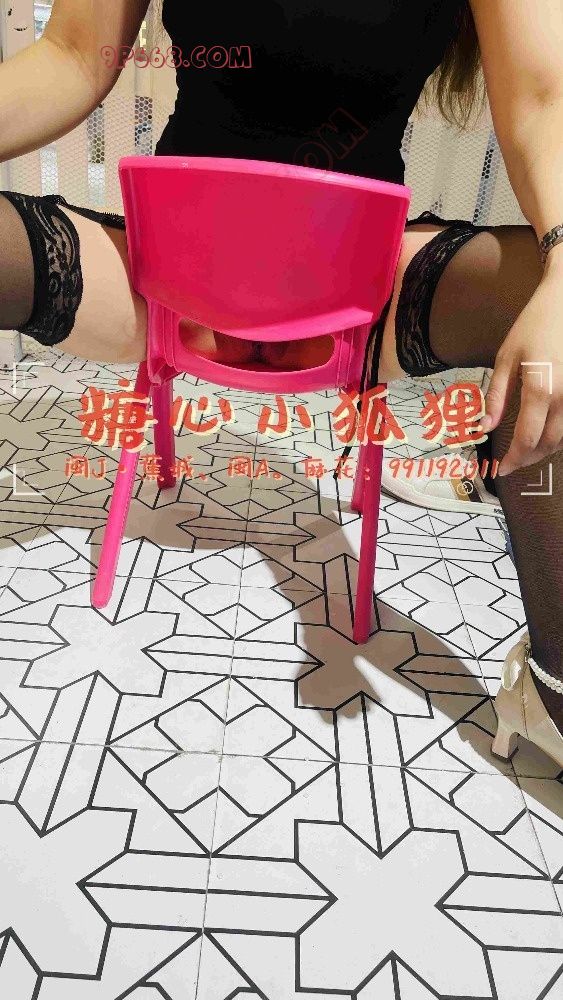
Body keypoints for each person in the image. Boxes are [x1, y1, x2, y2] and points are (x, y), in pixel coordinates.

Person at [1, 0, 563, 766]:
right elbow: (73, 55)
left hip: (360, 293)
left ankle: (553, 690)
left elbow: (542, 97)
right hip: (166, 281)